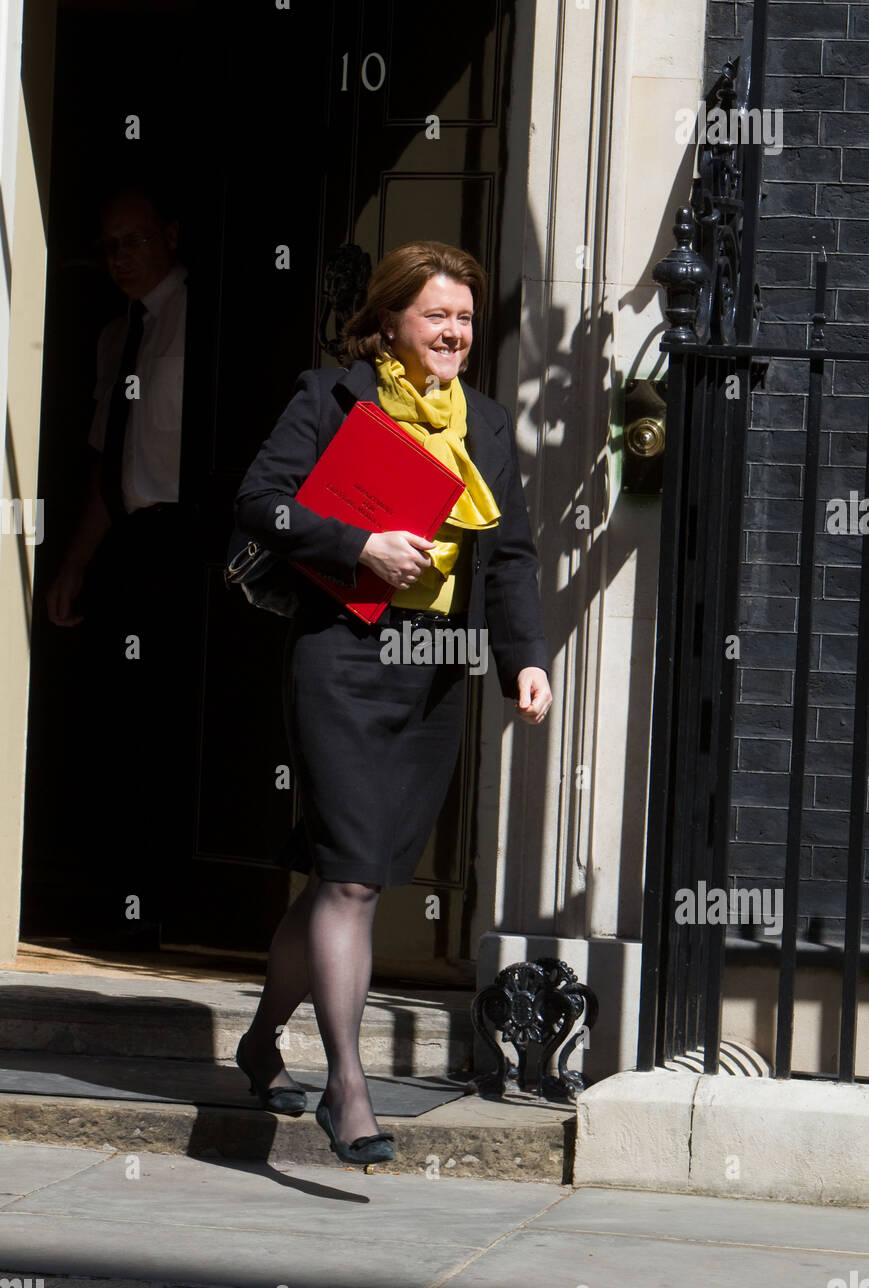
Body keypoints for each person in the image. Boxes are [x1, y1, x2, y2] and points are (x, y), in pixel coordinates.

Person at [233, 241, 551, 1165]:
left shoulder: (485, 423)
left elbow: (515, 557)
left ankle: (259, 1042)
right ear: (389, 324)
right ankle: (348, 1085)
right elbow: (261, 502)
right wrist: (359, 545)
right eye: (434, 316)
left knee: (348, 869)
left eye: (463, 318)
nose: (453, 332)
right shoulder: (331, 397)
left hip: (438, 670)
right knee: (352, 880)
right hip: (343, 657)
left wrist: (522, 659)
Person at [44, 184, 194, 949]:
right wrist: (74, 562)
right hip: (131, 546)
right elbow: (109, 464)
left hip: (191, 543)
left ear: (170, 235)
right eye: (108, 245)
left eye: (133, 240)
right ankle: (116, 905)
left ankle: (173, 907)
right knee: (120, 723)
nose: (119, 258)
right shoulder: (116, 336)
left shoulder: (199, 316)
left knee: (178, 723)